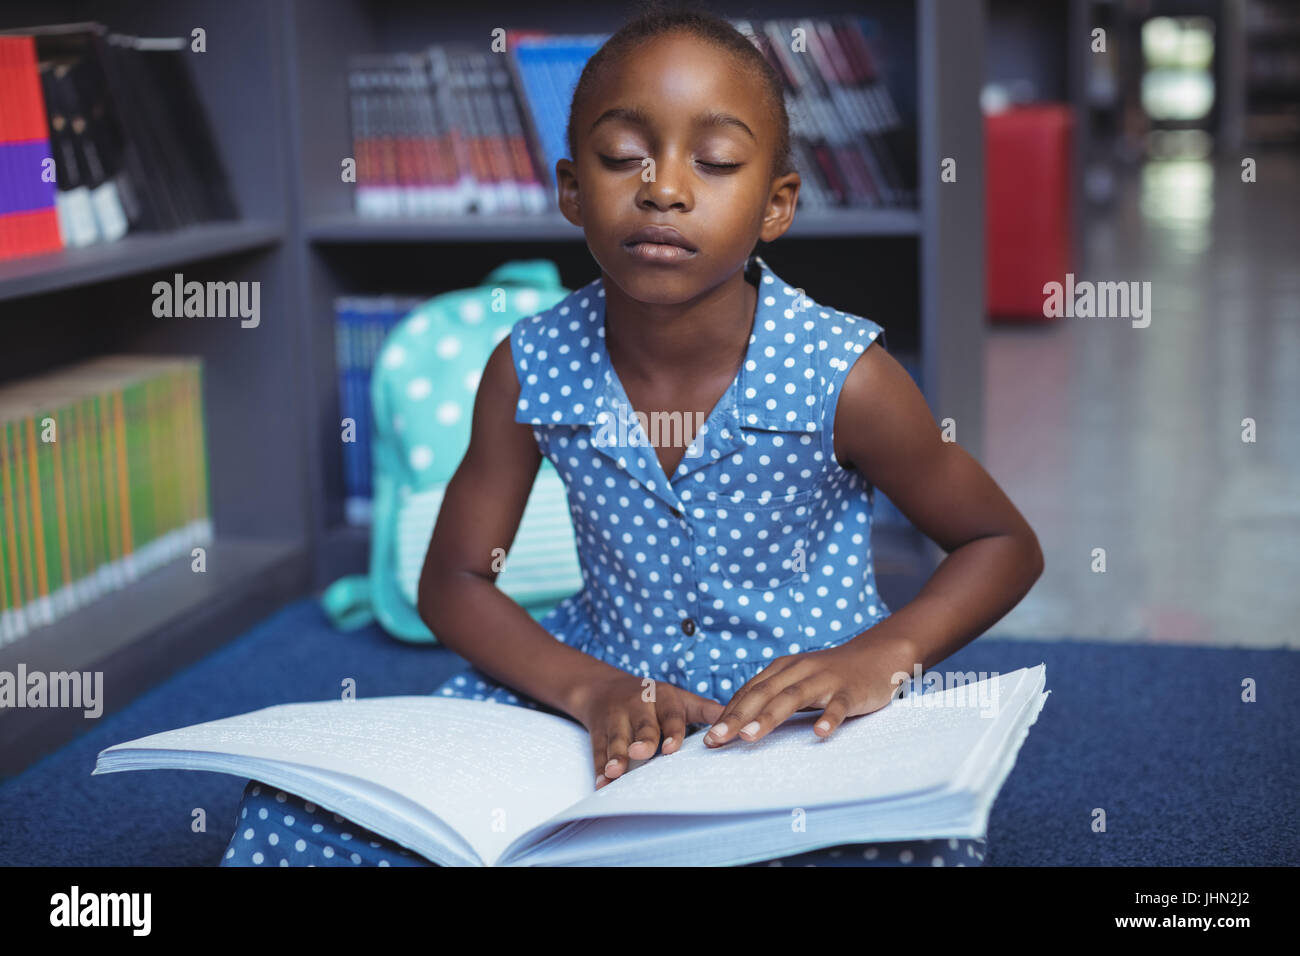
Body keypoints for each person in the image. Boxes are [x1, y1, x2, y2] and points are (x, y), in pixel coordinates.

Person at [222, 4, 1042, 868]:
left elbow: (1000, 542)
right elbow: (455, 580)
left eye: (717, 161)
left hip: (803, 720)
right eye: (623, 158)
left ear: (777, 204)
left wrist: (883, 656)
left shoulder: (847, 376)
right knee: (299, 818)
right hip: (595, 705)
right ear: (572, 190)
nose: (663, 187)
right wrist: (588, 687)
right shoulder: (528, 366)